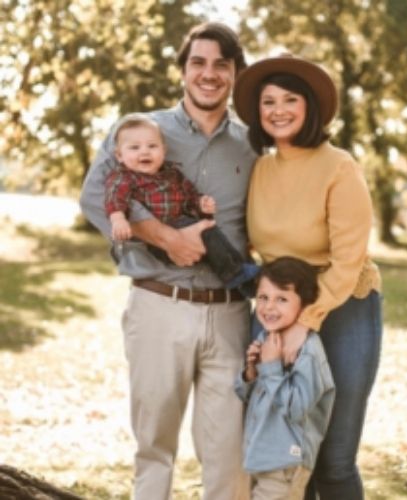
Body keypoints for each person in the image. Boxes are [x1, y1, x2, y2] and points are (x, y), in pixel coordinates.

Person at [80, 22, 256, 500]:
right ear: (182, 70)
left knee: (229, 453)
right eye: (198, 62)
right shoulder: (140, 131)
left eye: (222, 64)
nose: (209, 73)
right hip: (158, 306)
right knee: (154, 447)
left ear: (235, 74)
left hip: (230, 315)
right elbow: (97, 196)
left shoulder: (252, 145)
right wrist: (164, 237)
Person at [233, 54, 383, 499]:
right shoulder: (260, 168)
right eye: (268, 102)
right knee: (289, 455)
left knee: (334, 461)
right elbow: (253, 247)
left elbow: (349, 258)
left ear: (309, 107)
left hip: (343, 309)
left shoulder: (339, 166)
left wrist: (307, 321)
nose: (278, 109)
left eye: (289, 99)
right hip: (278, 312)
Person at [105, 112, 258, 291]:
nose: (144, 151)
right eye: (134, 148)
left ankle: (241, 273)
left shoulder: (172, 174)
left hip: (183, 223)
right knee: (209, 234)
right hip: (159, 240)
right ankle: (235, 274)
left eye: (152, 146)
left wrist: (201, 203)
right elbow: (114, 198)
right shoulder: (124, 177)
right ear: (119, 155)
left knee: (211, 231)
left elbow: (189, 194)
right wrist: (118, 219)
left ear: (164, 150)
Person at [234, 257, 335, 500]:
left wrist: (271, 367)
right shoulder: (267, 338)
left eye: (282, 299)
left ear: (305, 305)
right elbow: (246, 396)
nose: (269, 307)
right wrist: (251, 371)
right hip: (259, 455)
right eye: (263, 297)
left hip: (285, 462)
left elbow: (296, 409)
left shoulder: (309, 352)